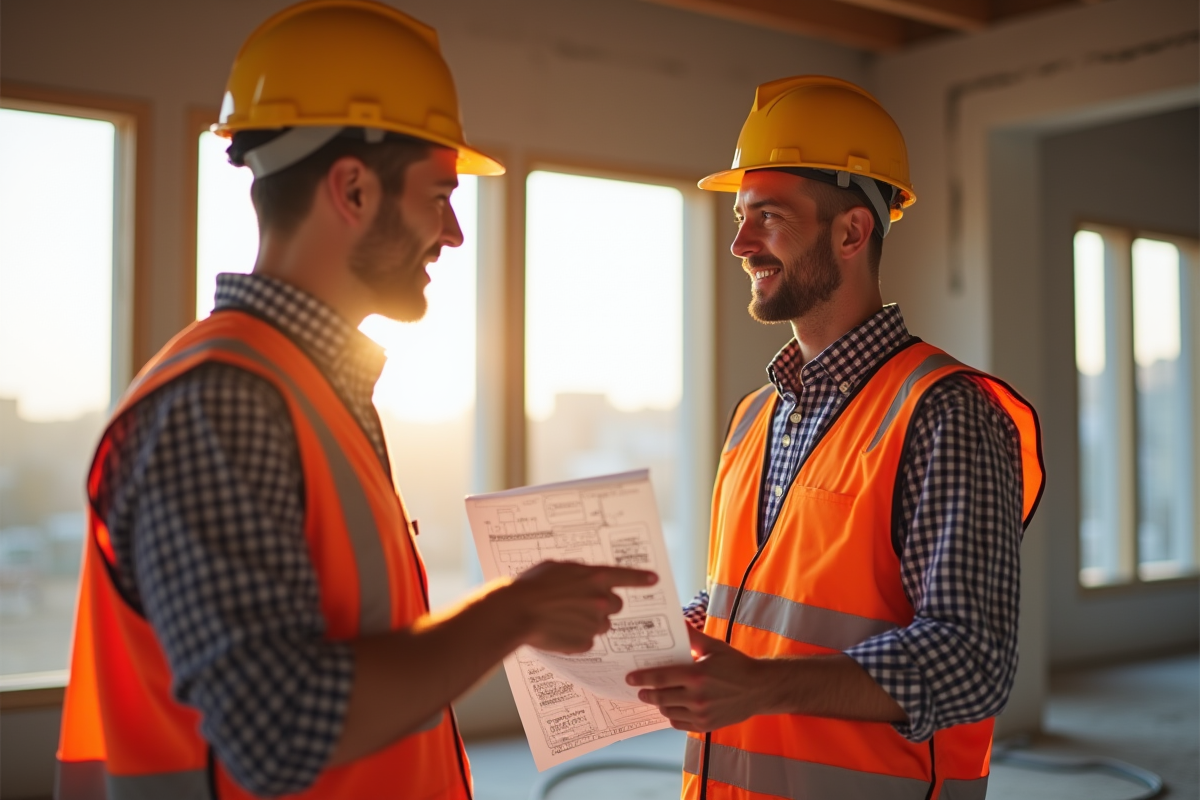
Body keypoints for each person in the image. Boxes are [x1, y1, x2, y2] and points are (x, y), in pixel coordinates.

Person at [55, 2, 656, 798]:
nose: (454, 232)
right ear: (352, 189)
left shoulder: (307, 387)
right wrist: (513, 614)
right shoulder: (223, 403)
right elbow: (278, 728)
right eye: (438, 194)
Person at [627, 75, 1045, 800]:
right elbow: (757, 602)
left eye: (767, 217)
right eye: (738, 216)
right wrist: (651, 626)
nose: (738, 243)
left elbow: (973, 660)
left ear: (852, 231)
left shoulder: (946, 413)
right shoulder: (757, 415)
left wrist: (761, 685)